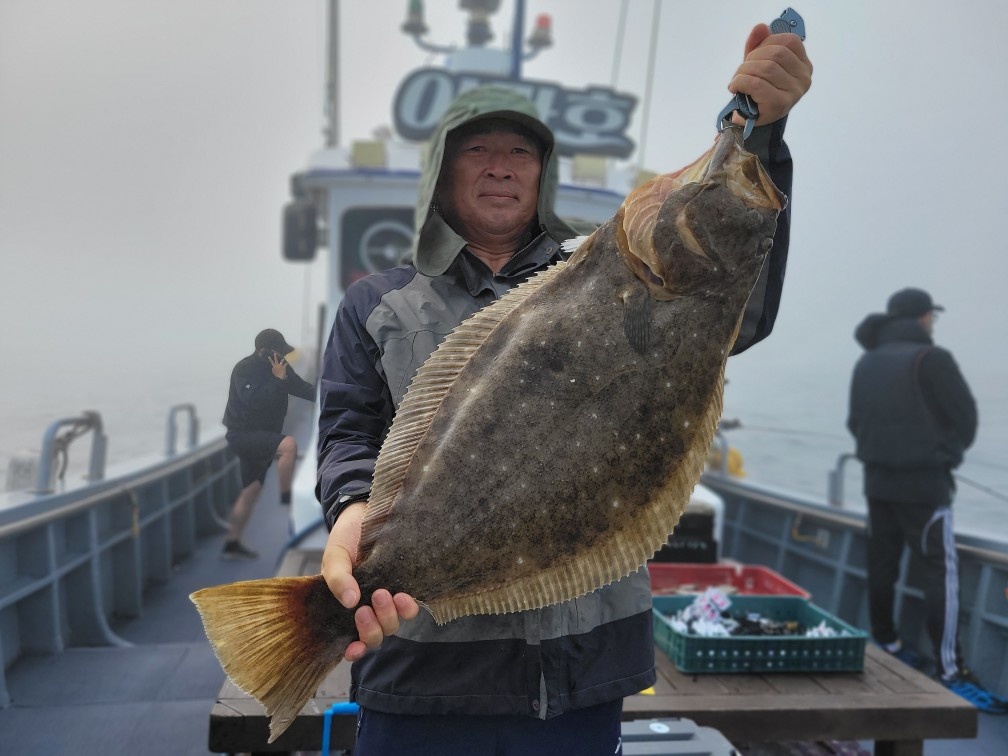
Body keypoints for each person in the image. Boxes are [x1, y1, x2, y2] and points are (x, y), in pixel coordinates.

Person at [316, 23, 811, 754]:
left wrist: (762, 134)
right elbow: (349, 433)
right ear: (441, 171)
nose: (500, 166)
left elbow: (742, 302)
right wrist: (355, 512)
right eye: (477, 149)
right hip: (421, 668)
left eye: (521, 152)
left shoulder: (601, 269)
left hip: (580, 671)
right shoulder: (377, 303)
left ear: (542, 174)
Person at [847, 288, 1007, 714]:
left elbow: (855, 421)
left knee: (882, 564)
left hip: (877, 482)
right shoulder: (932, 358)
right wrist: (944, 455)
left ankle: (887, 641)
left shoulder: (867, 361)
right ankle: (951, 670)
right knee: (940, 572)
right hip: (924, 486)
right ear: (922, 317)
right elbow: (966, 419)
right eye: (932, 316)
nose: (933, 323)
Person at [221, 328, 315, 560]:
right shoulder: (244, 369)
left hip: (263, 434)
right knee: (289, 445)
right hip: (242, 435)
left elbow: (300, 387)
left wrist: (329, 396)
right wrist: (277, 379)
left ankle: (232, 541)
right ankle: (287, 498)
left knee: (250, 491)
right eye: (278, 352)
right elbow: (253, 401)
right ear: (264, 351)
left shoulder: (280, 366)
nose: (282, 356)